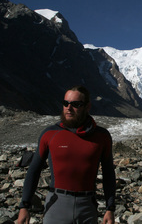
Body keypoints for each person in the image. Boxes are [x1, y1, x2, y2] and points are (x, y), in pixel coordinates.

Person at [17, 86, 116, 224]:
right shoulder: (50, 134)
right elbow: (34, 170)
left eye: (75, 104)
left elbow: (108, 174)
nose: (69, 108)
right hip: (57, 205)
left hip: (87, 208)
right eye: (65, 103)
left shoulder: (101, 136)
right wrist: (24, 206)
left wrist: (110, 208)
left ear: (87, 107)